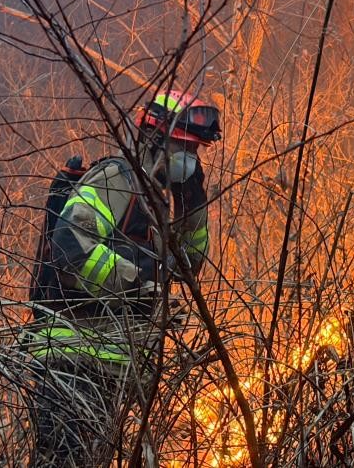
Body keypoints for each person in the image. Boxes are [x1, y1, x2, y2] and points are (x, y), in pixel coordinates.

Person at [27, 90, 221, 467]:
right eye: (185, 148)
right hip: (73, 357)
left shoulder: (156, 200)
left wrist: (193, 198)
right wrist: (139, 282)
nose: (190, 158)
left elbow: (188, 265)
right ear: (156, 138)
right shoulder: (117, 178)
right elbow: (71, 247)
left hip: (116, 363)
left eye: (195, 152)